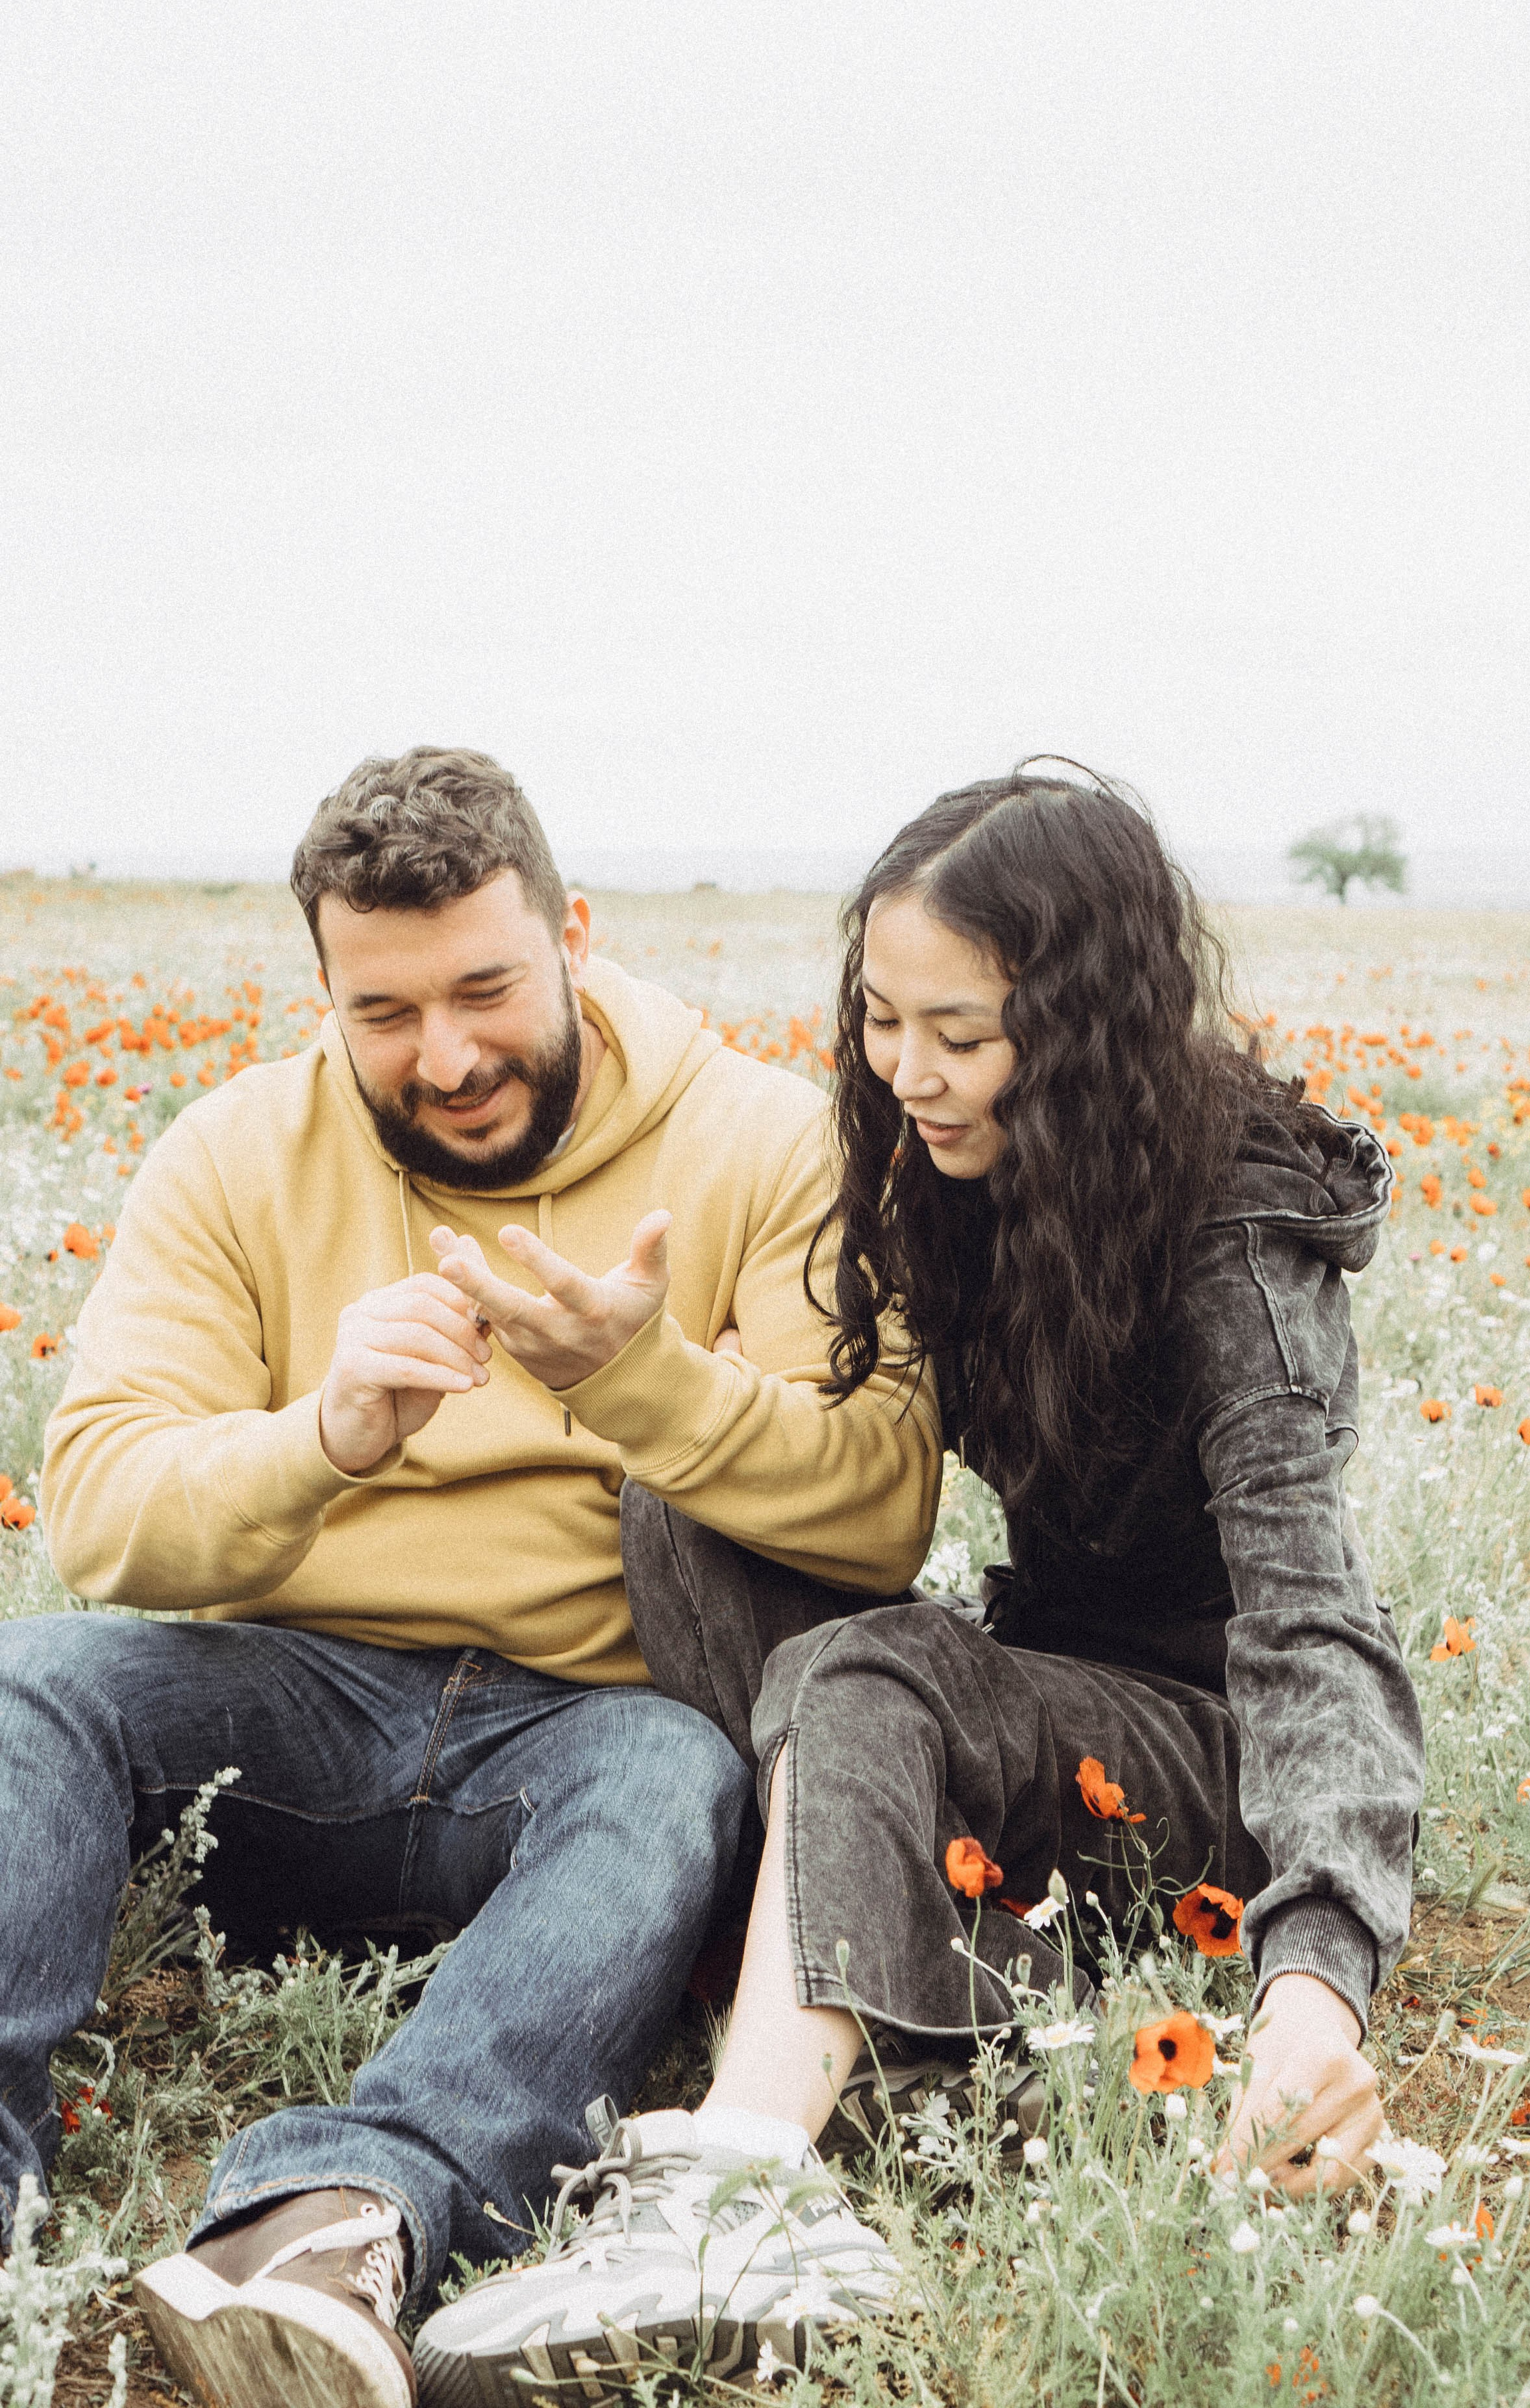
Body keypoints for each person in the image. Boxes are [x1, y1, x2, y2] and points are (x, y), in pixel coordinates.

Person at [413, 766, 1426, 2403]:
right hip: (1032, 1680)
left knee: (875, 1671)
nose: (907, 1074)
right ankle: (847, 1974)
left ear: (1088, 1023)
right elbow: (833, 1465)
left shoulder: (1235, 1224)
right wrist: (645, 1377)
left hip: (1198, 1739)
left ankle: (744, 2196)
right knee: (693, 1505)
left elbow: (1312, 1618)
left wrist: (1313, 1983)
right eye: (882, 1021)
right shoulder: (940, 1178)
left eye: (960, 1034)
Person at [2, 747, 939, 2408]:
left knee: (679, 1776)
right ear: (325, 996)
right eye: (383, 1013)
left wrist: (642, 1382)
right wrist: (323, 1437)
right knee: (33, 1680)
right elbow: (96, 1504)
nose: (444, 1057)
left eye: (485, 989)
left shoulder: (763, 1141)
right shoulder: (235, 1153)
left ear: (572, 933)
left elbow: (878, 1507)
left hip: (589, 1725)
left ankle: (334, 2219)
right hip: (291, 1704)